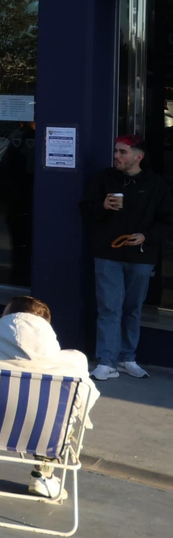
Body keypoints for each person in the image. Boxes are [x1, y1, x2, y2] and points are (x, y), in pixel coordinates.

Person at [0, 296, 100, 497]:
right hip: (45, 435)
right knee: (61, 415)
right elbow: (86, 404)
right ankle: (44, 474)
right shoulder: (74, 362)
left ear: (5, 320)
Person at [78, 135, 171, 380]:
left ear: (138, 157)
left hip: (141, 256)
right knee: (109, 308)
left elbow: (167, 221)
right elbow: (86, 210)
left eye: (123, 152)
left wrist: (146, 237)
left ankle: (127, 358)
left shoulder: (156, 184)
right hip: (108, 253)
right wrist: (102, 206)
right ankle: (106, 362)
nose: (116, 156)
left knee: (132, 309)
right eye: (116, 151)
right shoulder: (105, 178)